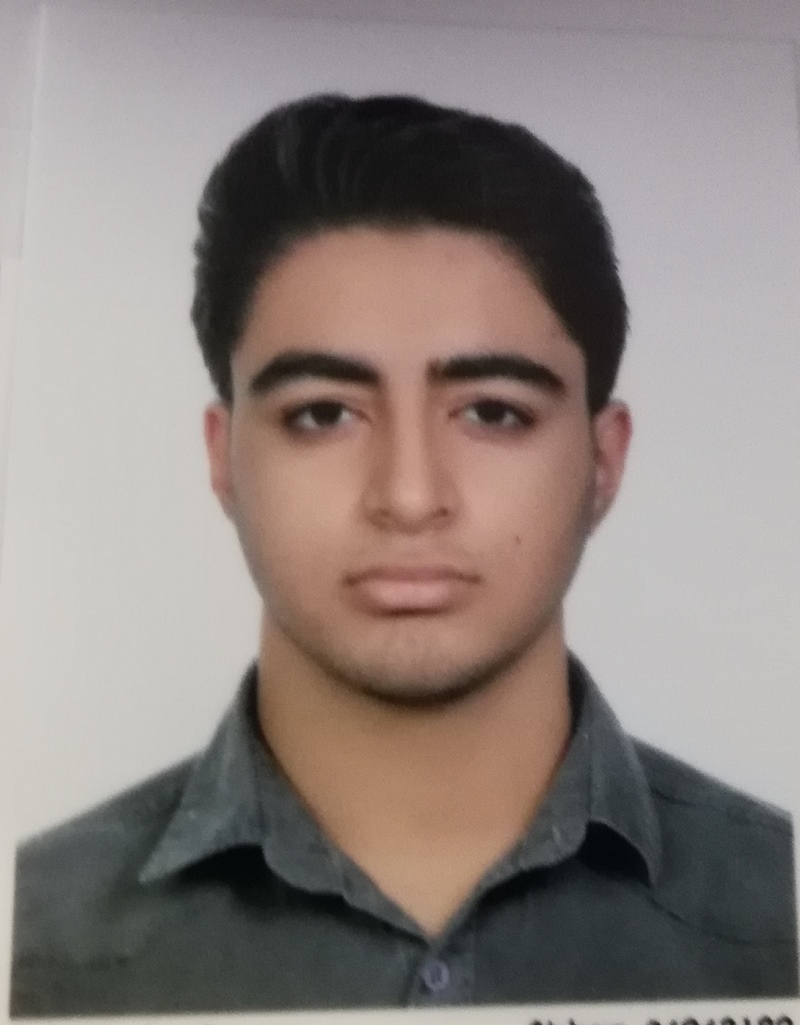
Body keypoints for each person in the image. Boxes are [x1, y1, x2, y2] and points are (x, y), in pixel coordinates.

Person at [10, 93, 797, 1016]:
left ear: (603, 460)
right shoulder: (34, 933)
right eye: (323, 413)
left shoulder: (775, 909)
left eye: (493, 411)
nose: (411, 496)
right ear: (223, 458)